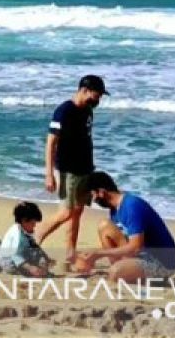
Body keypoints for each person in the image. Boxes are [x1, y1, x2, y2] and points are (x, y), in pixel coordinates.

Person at [36, 74, 107, 266]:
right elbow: (51, 143)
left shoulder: (88, 112)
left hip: (85, 169)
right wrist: (49, 174)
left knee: (77, 212)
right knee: (67, 212)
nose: (98, 99)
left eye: (100, 95)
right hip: (68, 170)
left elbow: (87, 140)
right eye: (97, 94)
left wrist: (91, 171)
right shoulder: (64, 111)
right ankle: (37, 236)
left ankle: (70, 253)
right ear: (84, 90)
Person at [75, 171, 175, 281]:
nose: (93, 201)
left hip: (161, 264)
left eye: (92, 196)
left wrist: (98, 254)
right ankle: (124, 269)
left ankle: (124, 271)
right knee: (104, 226)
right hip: (143, 254)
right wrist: (90, 257)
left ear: (101, 192)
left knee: (116, 272)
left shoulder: (132, 206)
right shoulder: (114, 210)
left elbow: (135, 247)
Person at [0, 201, 52, 277]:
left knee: (38, 253)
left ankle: (41, 269)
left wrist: (45, 256)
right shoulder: (16, 235)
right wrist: (30, 268)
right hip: (9, 263)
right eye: (33, 223)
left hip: (18, 257)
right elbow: (15, 256)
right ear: (24, 221)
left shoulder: (22, 229)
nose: (34, 226)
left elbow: (32, 244)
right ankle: (37, 271)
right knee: (39, 261)